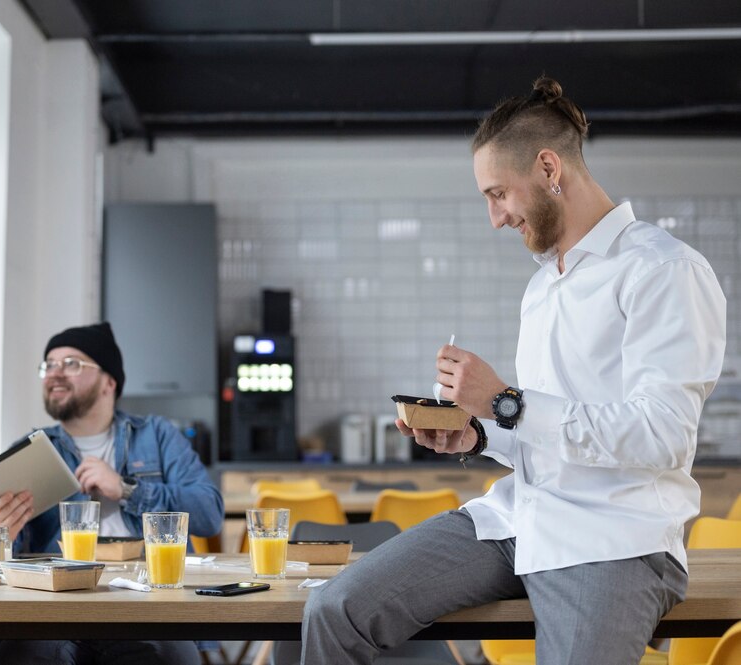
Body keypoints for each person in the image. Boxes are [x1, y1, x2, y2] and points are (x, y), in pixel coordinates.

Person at [301, 77, 727, 664]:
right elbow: (542, 433)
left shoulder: (664, 270)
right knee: (335, 610)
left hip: (612, 540)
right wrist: (475, 431)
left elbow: (663, 435)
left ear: (549, 168)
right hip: (516, 520)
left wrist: (506, 401)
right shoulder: (542, 286)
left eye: (498, 193)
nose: (495, 218)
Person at [0, 321, 223, 665]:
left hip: (148, 604)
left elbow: (209, 512)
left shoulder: (157, 436)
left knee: (171, 655)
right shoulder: (30, 452)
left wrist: (126, 488)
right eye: (49, 365)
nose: (54, 373)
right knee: (23, 654)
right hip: (57, 610)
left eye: (71, 363)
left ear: (109, 382)